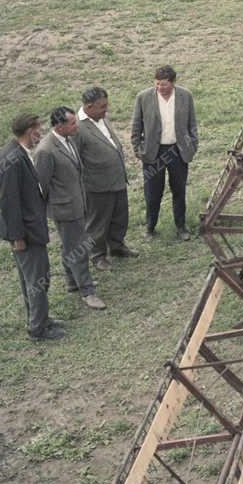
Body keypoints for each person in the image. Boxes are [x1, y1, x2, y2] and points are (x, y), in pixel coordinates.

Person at [0, 114, 62, 341]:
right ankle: (38, 329)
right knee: (37, 279)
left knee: (33, 279)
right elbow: (9, 202)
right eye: (37, 129)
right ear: (28, 131)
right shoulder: (13, 159)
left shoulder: (17, 154)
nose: (40, 133)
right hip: (26, 233)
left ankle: (41, 320)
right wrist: (17, 236)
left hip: (29, 230)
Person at [34, 107, 105, 311]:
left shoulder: (69, 140)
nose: (76, 126)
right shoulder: (45, 151)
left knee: (69, 246)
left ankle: (72, 281)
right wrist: (57, 205)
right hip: (64, 209)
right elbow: (42, 185)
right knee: (78, 249)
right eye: (72, 123)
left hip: (77, 203)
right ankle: (87, 291)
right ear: (59, 125)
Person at [130, 65, 199, 241]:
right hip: (154, 153)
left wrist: (193, 145)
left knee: (179, 190)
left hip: (178, 151)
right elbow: (136, 125)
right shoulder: (143, 97)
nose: (161, 88)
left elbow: (192, 123)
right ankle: (150, 228)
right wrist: (137, 148)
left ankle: (181, 227)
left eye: (165, 84)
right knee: (152, 193)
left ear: (173, 83)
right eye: (158, 84)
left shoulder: (185, 96)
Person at [76, 86, 137, 270]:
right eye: (101, 107)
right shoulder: (77, 128)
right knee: (98, 222)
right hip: (97, 185)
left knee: (119, 216)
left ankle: (117, 246)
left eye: (106, 105)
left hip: (116, 179)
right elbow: (76, 159)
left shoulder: (101, 118)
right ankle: (98, 255)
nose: (106, 110)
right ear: (88, 107)